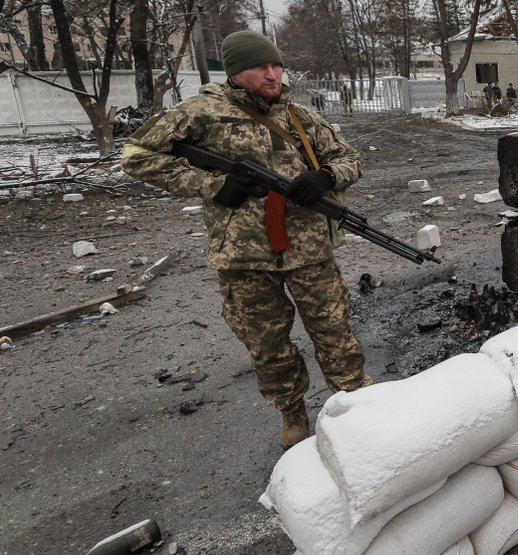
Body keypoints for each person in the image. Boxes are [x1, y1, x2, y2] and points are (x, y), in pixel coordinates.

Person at [121, 30, 373, 449]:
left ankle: (355, 402)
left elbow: (350, 158)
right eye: (261, 67)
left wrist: (326, 176)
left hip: (309, 249)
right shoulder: (201, 112)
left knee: (334, 330)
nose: (272, 74)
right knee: (266, 342)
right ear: (236, 72)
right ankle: (292, 411)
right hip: (243, 256)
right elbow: (137, 156)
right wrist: (211, 185)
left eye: (276, 65)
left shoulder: (301, 116)